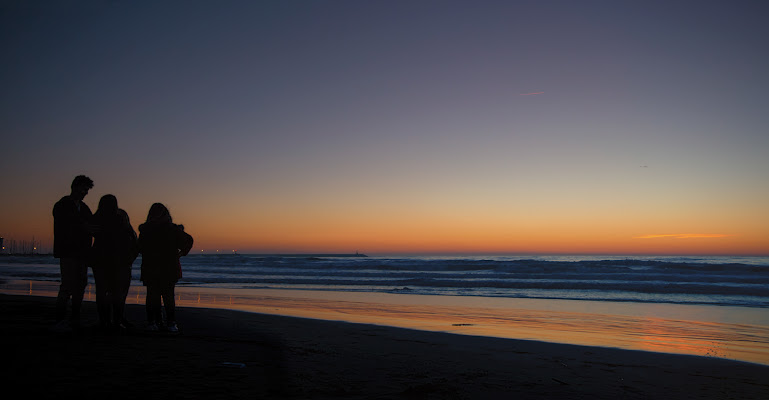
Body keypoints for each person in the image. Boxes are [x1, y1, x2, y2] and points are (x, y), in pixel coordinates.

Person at [138, 203, 193, 333]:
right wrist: (181, 252)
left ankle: (154, 322)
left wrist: (182, 252)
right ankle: (169, 323)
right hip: (168, 267)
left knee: (153, 296)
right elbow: (188, 240)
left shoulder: (147, 230)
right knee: (166, 296)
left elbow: (139, 247)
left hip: (152, 266)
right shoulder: (172, 229)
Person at [52, 175, 94, 330]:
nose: (85, 192)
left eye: (87, 190)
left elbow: (92, 223)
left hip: (82, 253)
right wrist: (84, 227)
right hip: (68, 252)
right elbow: (66, 224)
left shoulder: (84, 208)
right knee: (67, 286)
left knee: (81, 285)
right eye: (83, 188)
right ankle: (59, 320)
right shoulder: (62, 205)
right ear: (74, 187)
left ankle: (75, 318)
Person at [92, 194, 138, 333]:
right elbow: (133, 238)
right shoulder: (120, 218)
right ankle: (117, 321)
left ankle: (104, 321)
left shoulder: (96, 218)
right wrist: (131, 257)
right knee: (117, 292)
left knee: (102, 291)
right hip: (119, 260)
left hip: (100, 260)